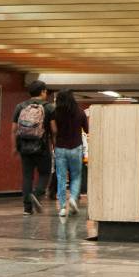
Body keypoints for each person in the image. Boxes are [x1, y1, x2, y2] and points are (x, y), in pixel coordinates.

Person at [13, 80, 55, 215]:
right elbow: (54, 130)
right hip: (42, 146)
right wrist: (55, 145)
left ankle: (27, 208)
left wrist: (14, 147)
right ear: (43, 91)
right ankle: (37, 195)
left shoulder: (20, 106)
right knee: (45, 173)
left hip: (24, 146)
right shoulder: (49, 107)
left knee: (27, 176)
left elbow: (14, 129)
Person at [53, 89, 87, 217]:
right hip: (76, 147)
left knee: (61, 177)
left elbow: (53, 131)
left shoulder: (55, 113)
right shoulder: (80, 112)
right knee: (76, 176)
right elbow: (87, 129)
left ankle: (62, 207)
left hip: (60, 148)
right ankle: (73, 198)